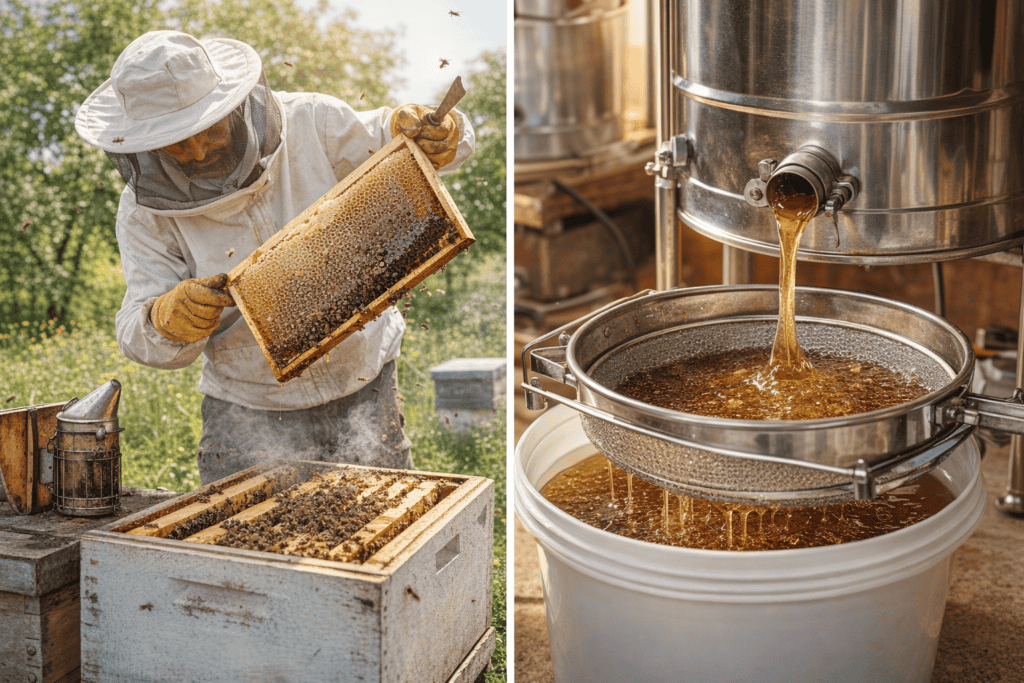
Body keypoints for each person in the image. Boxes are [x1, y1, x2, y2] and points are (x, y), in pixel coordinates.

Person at [74, 30, 474, 484]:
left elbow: (408, 137)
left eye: (207, 129)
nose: (199, 151)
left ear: (234, 105)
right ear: (142, 144)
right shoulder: (143, 213)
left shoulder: (312, 122)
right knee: (244, 547)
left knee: (388, 530)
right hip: (247, 411)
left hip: (365, 384)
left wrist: (436, 130)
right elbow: (134, 326)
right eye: (176, 141)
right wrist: (163, 318)